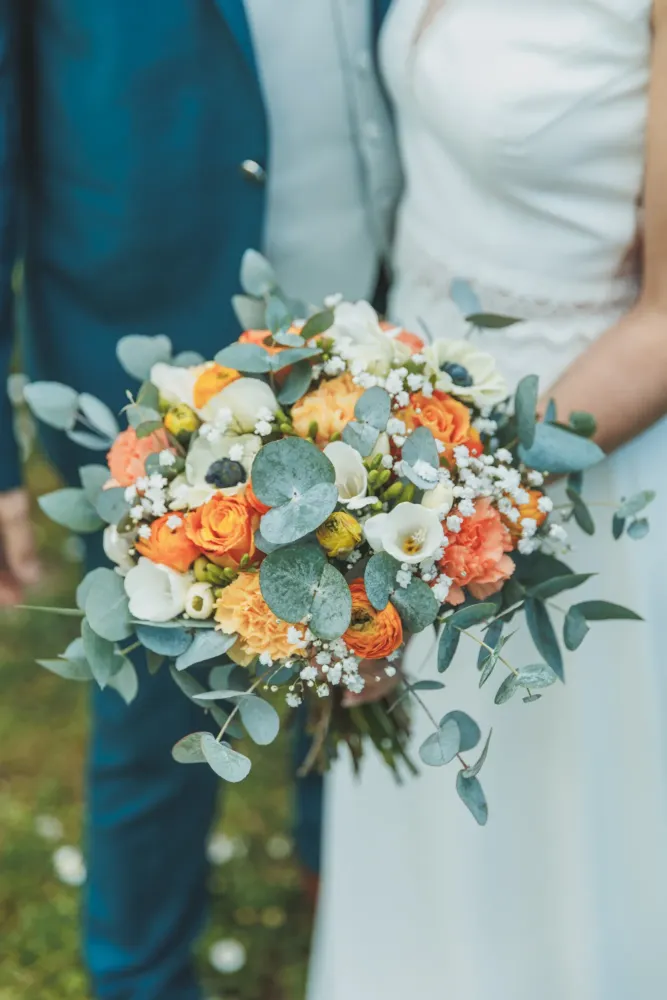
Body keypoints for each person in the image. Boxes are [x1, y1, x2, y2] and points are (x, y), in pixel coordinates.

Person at [0, 2, 399, 998]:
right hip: (151, 345)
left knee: (369, 646)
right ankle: (138, 971)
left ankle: (352, 922)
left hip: (379, 315)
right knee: (160, 703)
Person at [309, 1, 667, 998]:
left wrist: (451, 509)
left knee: (555, 841)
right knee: (420, 831)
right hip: (399, 438)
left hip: (570, 467)